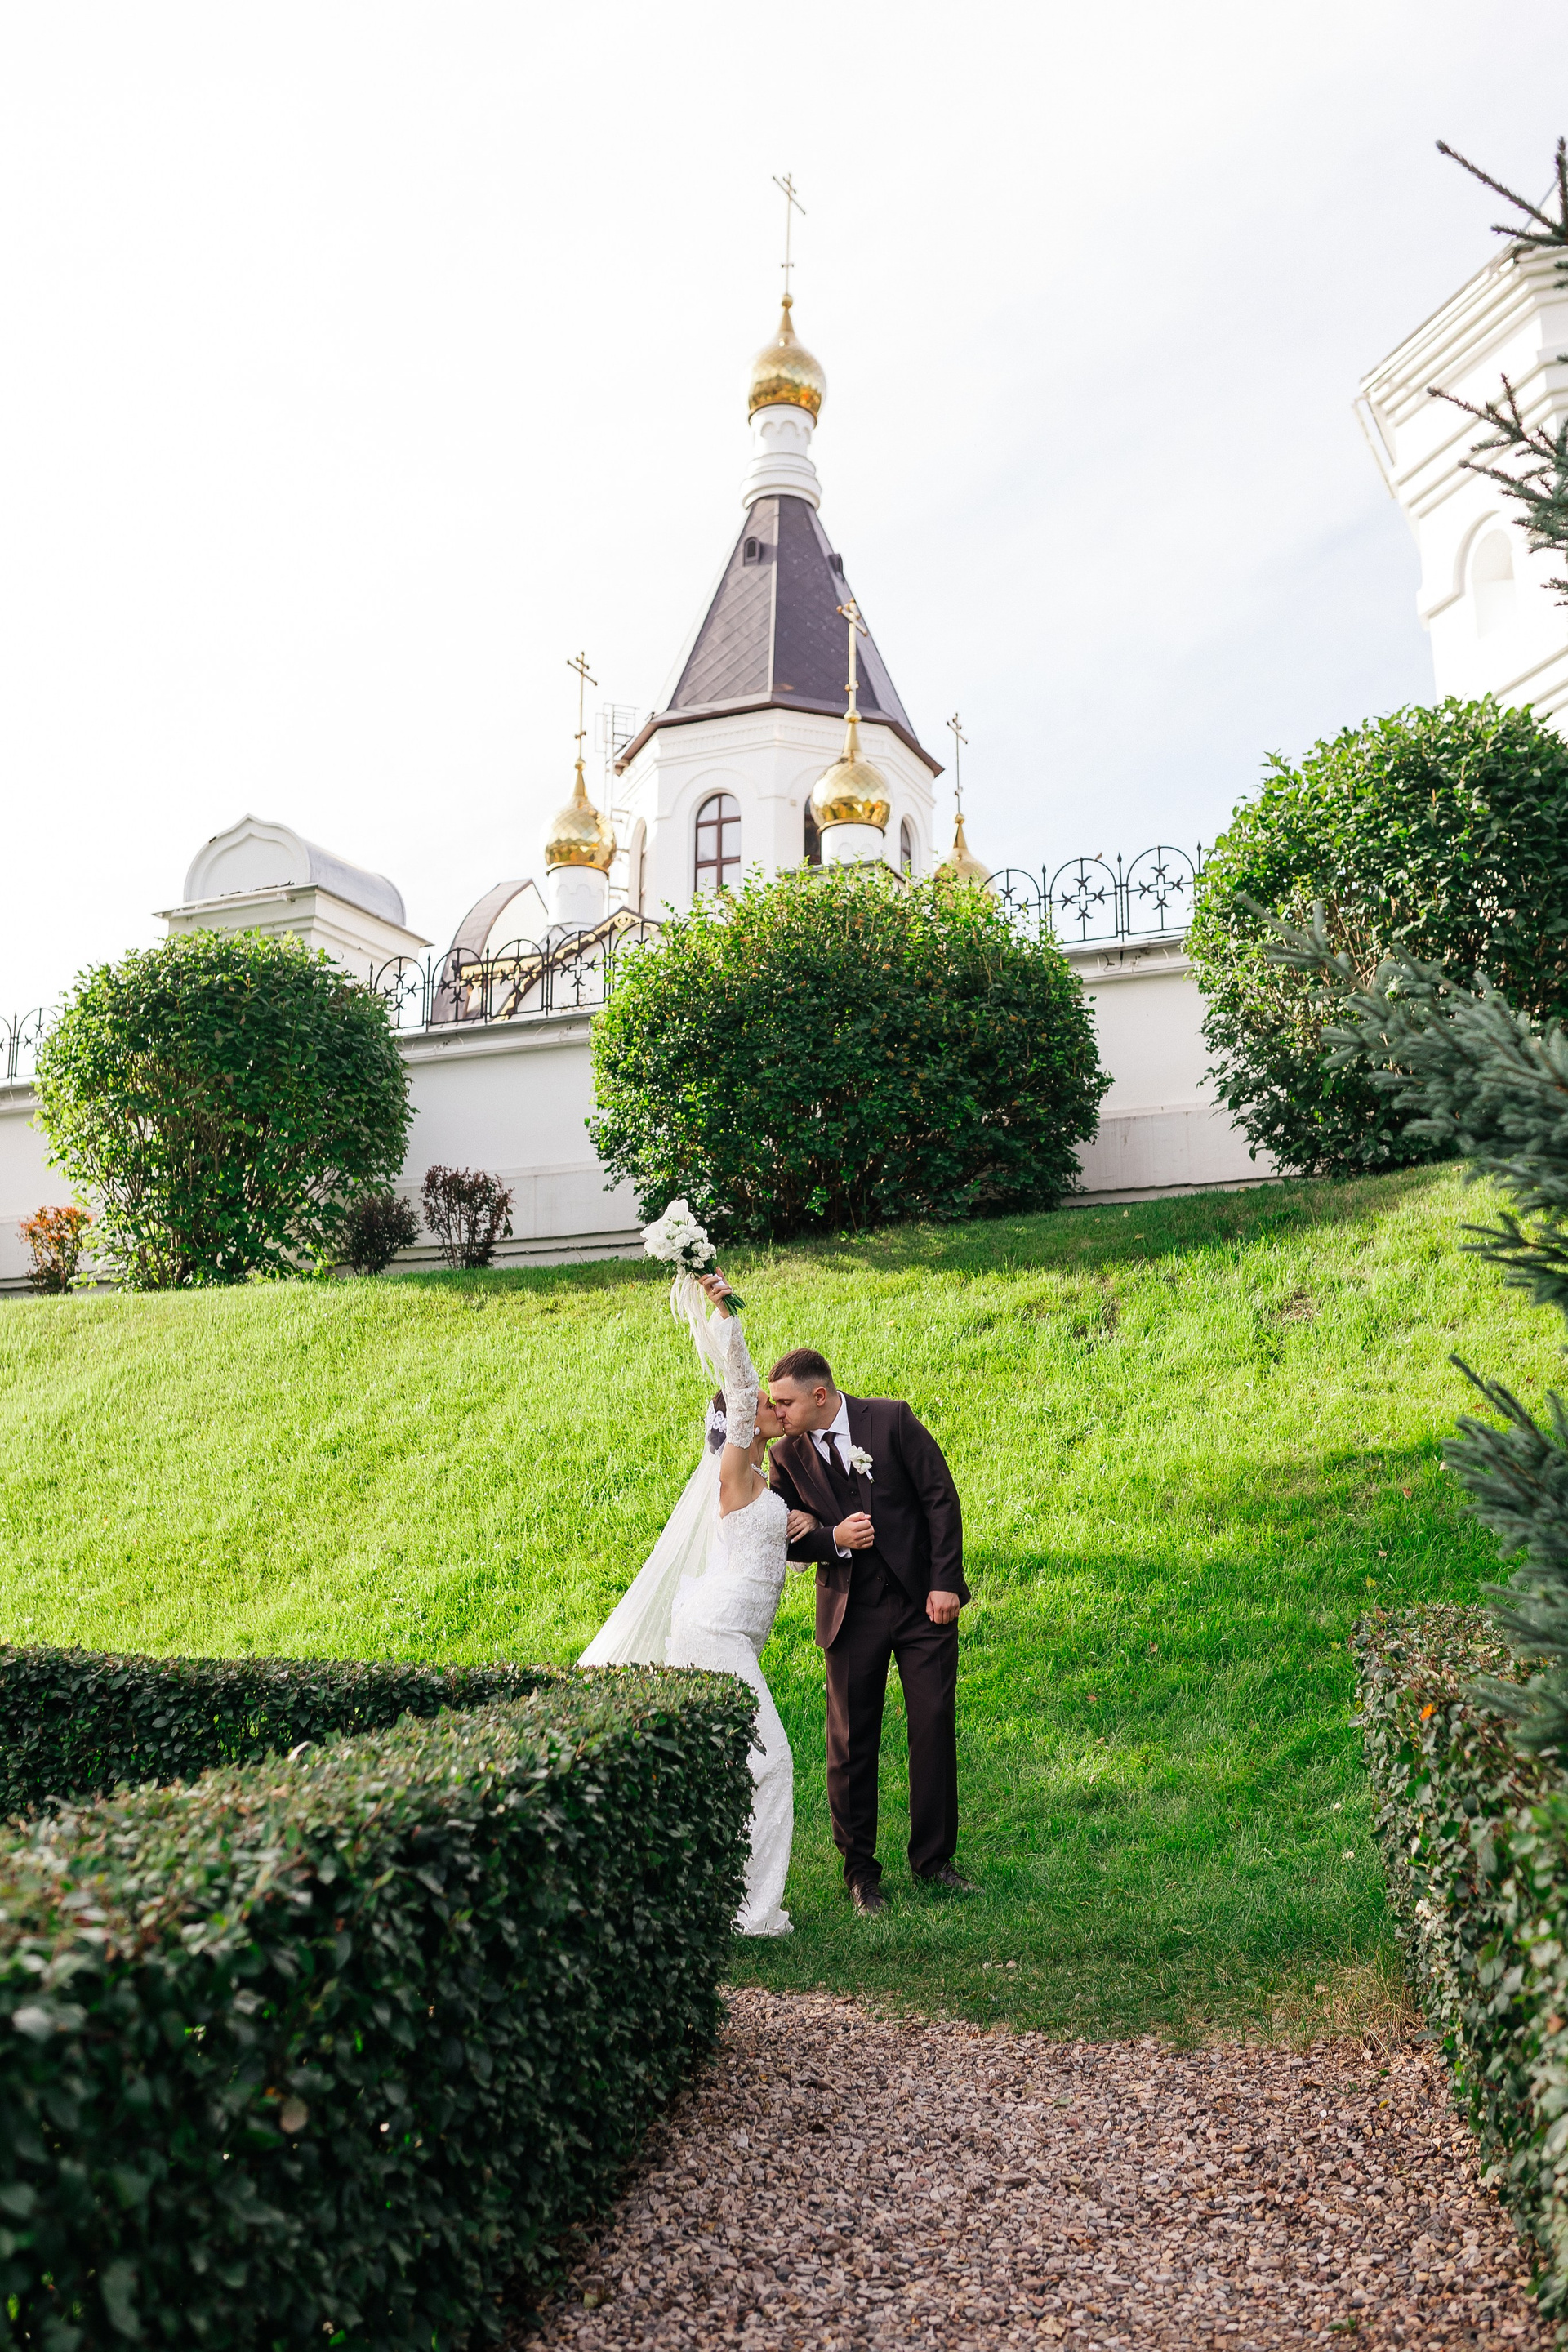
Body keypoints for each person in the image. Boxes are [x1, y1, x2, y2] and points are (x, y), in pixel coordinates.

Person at [578, 1270, 813, 1937]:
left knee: (726, 1769)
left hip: (729, 1628)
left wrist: (800, 1532)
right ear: (739, 1422)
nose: (774, 1406)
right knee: (772, 1763)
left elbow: (770, 1556)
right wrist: (726, 1314)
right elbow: (740, 1388)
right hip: (716, 1631)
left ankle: (705, 1899)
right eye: (765, 1404)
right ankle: (753, 1914)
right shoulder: (734, 1471)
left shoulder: (762, 1481)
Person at [764, 1339, 973, 1918]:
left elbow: (939, 1497)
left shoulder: (891, 1419)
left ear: (820, 1395)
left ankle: (934, 1861)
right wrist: (830, 1537)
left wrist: (945, 1582)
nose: (777, 1412)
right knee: (850, 1741)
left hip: (921, 1604)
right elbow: (779, 1536)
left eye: (785, 1403)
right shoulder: (785, 1457)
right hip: (850, 1612)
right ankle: (860, 1873)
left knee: (932, 1724)